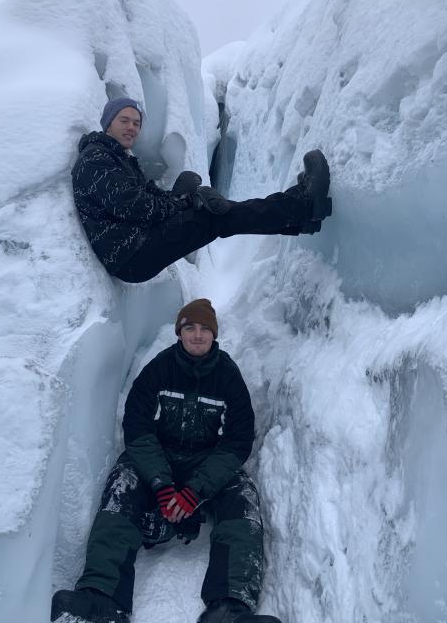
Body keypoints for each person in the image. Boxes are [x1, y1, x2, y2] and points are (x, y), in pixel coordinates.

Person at [51, 299, 283, 623]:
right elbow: (137, 427)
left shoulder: (228, 376)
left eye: (204, 329)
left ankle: (230, 607)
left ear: (214, 335)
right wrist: (161, 484)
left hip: (207, 461)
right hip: (159, 457)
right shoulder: (159, 369)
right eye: (190, 327)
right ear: (180, 332)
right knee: (122, 486)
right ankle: (102, 597)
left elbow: (238, 440)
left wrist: (196, 490)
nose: (198, 335)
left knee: (243, 500)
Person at [72, 97, 332, 282]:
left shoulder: (118, 158)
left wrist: (184, 199)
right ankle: (304, 206)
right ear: (108, 123)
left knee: (218, 215)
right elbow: (135, 205)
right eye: (124, 121)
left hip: (137, 245)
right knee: (216, 218)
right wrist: (181, 200)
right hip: (131, 255)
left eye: (136, 123)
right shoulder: (96, 159)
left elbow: (148, 196)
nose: (131, 128)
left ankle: (302, 217)